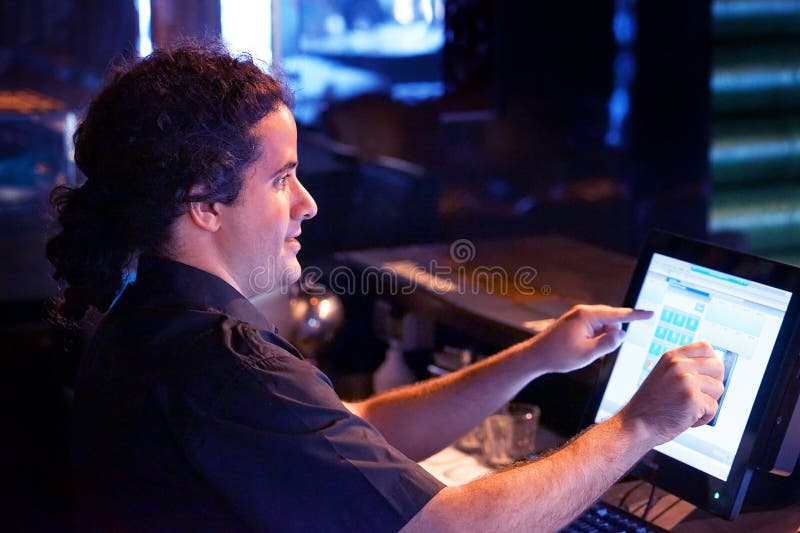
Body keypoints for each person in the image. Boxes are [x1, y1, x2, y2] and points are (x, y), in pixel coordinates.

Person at [47, 41, 724, 532]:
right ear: (204, 202)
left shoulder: (146, 316)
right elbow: (451, 529)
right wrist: (639, 424)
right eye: (281, 178)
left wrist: (537, 356)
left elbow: (358, 434)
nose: (307, 203)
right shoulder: (218, 364)